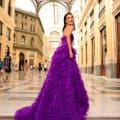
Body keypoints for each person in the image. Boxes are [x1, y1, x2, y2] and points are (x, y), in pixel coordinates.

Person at [14, 12, 89, 120]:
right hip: (66, 53)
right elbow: (67, 39)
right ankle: (67, 102)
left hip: (60, 54)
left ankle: (55, 101)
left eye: (71, 17)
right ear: (65, 20)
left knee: (58, 80)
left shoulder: (65, 29)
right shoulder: (70, 27)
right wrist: (70, 52)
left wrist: (57, 53)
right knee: (67, 78)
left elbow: (61, 42)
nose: (70, 19)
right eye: (68, 18)